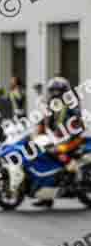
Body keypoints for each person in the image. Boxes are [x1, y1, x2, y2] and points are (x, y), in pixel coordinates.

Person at [34, 76, 86, 208]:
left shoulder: (72, 104)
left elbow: (78, 123)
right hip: (55, 139)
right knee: (43, 158)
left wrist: (68, 131)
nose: (55, 94)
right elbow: (44, 121)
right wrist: (38, 132)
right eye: (53, 91)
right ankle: (46, 196)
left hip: (71, 139)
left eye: (58, 91)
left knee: (60, 155)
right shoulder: (52, 106)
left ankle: (76, 180)